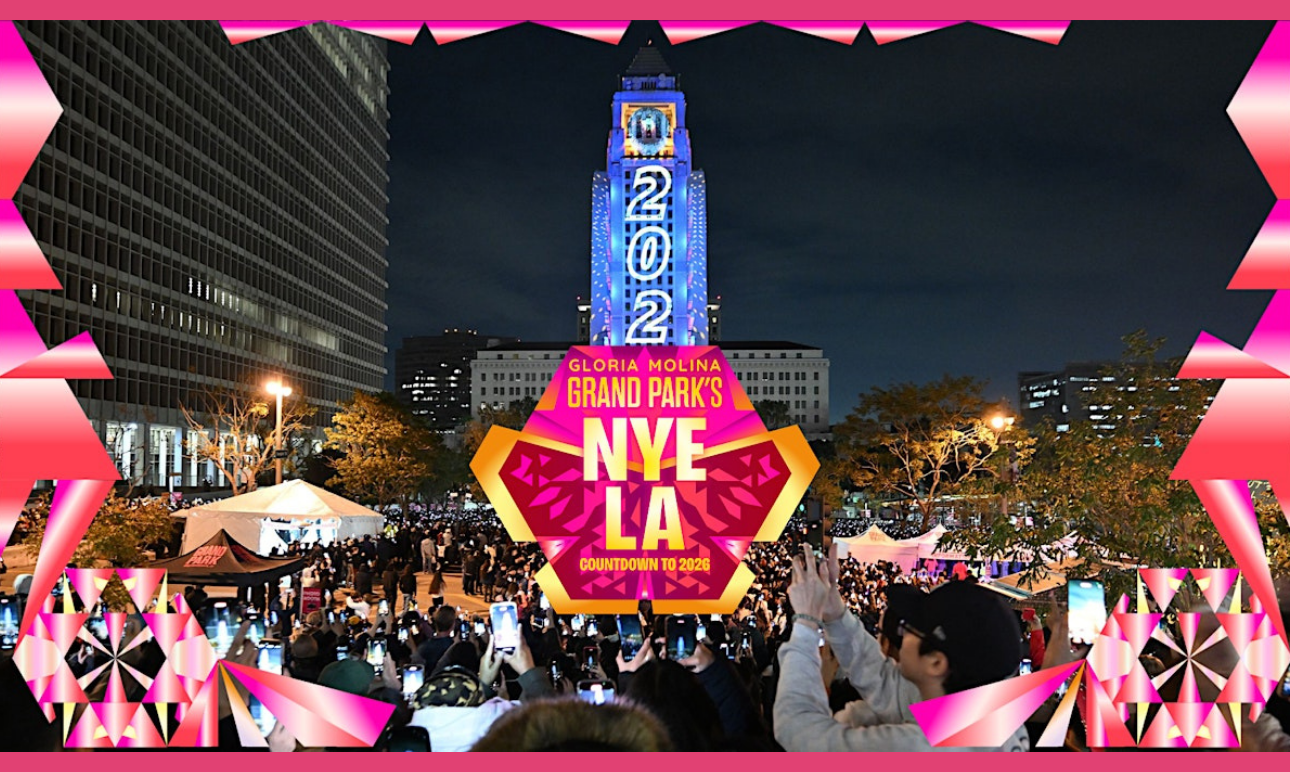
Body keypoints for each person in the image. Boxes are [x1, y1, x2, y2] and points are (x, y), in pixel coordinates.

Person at [774, 544, 1029, 751]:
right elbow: (885, 682)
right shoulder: (994, 721)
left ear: (936, 663)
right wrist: (834, 613)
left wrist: (806, 622)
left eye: (909, 628)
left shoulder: (924, 748)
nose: (901, 634)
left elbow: (799, 729)